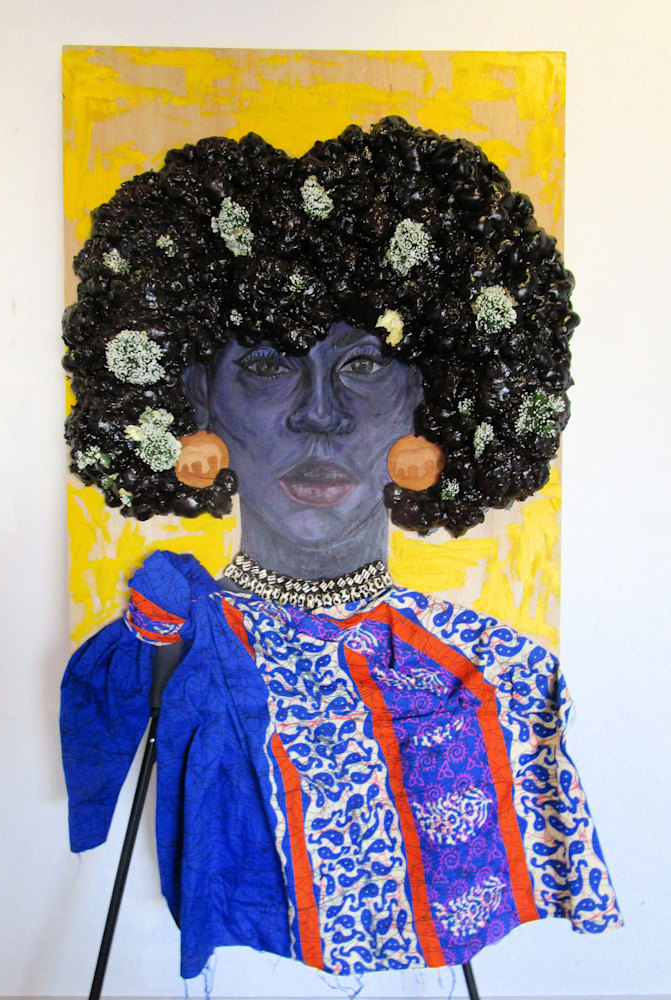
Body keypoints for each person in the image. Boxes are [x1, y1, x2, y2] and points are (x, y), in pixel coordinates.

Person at [61, 118, 621, 982]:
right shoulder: (166, 635)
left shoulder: (502, 675)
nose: (317, 414)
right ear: (196, 397)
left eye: (362, 366)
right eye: (266, 365)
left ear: (430, 397)